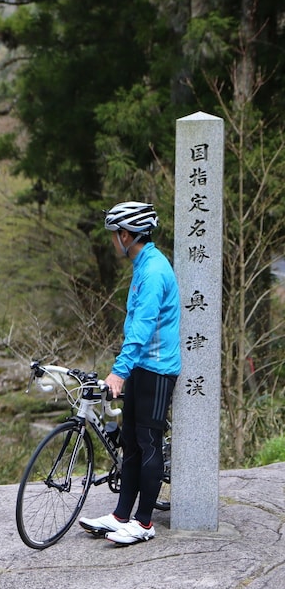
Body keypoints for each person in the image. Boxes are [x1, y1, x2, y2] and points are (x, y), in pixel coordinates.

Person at [78, 201, 181, 545]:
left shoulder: (152, 271)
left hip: (156, 369)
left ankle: (144, 523)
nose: (112, 241)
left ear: (126, 235)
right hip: (141, 366)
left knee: (149, 443)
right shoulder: (143, 265)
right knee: (132, 444)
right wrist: (126, 369)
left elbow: (142, 327)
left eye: (114, 235)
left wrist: (119, 372)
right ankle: (121, 516)